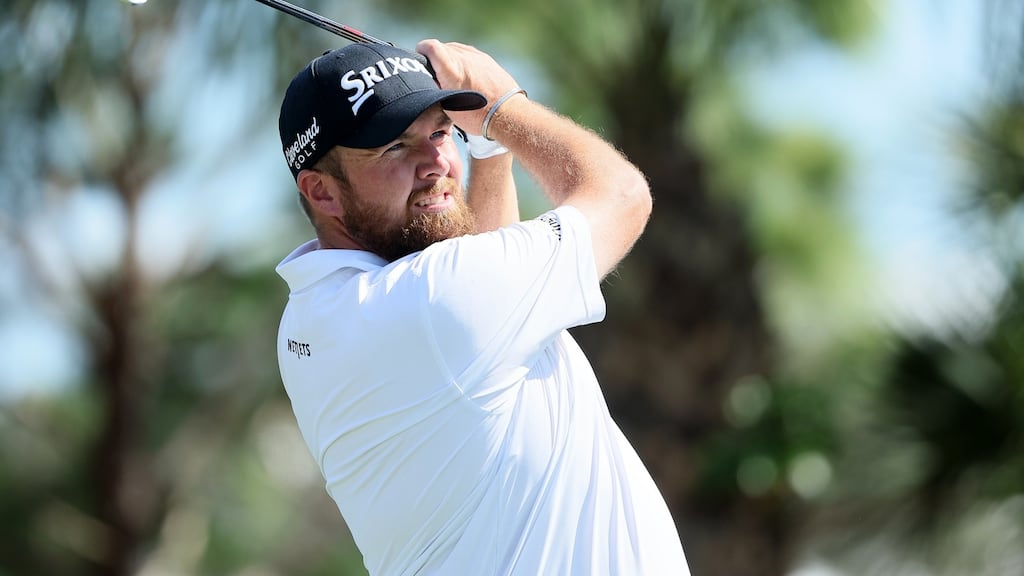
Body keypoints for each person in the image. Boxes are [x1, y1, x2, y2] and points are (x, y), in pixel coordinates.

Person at [274, 38, 690, 576]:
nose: (437, 163)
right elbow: (623, 196)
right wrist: (503, 108)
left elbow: (481, 285)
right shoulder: (427, 303)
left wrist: (490, 152)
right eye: (395, 147)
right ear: (322, 192)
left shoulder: (313, 317)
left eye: (441, 132)